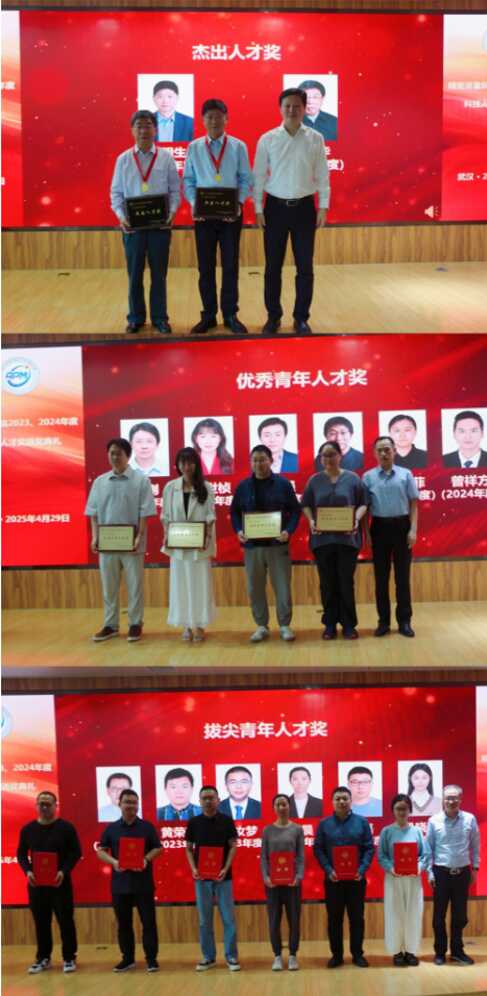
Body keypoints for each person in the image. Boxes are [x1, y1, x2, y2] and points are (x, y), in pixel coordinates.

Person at [253, 88, 330, 336]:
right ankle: (273, 317)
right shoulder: (267, 139)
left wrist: (323, 205)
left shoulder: (315, 138)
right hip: (274, 209)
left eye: (297, 106)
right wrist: (258, 208)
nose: (291, 110)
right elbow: (258, 176)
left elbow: (322, 174)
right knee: (272, 268)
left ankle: (301, 318)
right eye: (287, 105)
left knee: (305, 268)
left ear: (305, 108)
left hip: (305, 209)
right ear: (280, 108)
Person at [183, 98, 252, 335]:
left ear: (226, 119)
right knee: (206, 268)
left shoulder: (238, 146)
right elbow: (188, 180)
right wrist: (194, 204)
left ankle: (231, 314)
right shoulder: (194, 148)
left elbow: (246, 179)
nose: (214, 121)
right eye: (209, 117)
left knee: (230, 266)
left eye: (219, 116)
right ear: (203, 120)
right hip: (203, 218)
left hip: (231, 217)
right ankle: (209, 315)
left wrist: (239, 203)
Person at [110, 110, 180, 334]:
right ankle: (135, 318)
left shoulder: (166, 158)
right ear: (132, 130)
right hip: (133, 229)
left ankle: (160, 318)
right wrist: (121, 217)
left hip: (160, 227)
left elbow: (174, 190)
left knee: (159, 275)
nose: (143, 130)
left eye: (148, 125)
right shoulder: (123, 159)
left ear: (155, 129)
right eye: (139, 126)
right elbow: (116, 194)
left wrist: (171, 213)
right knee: (135, 275)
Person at [85, 437, 156, 643]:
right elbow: (93, 513)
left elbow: (145, 512)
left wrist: (139, 537)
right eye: (112, 453)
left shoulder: (140, 481)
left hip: (132, 544)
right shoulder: (100, 482)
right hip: (107, 544)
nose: (115, 457)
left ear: (128, 456)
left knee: (135, 586)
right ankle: (110, 625)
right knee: (109, 587)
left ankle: (135, 623)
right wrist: (95, 537)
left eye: (119, 453)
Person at [231, 445, 301, 642]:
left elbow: (295, 511)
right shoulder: (243, 486)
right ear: (250, 463)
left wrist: (288, 531)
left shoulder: (283, 484)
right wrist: (239, 530)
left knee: (282, 587)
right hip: (252, 547)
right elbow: (234, 512)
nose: (259, 464)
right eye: (255, 460)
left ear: (271, 461)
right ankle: (261, 625)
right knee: (255, 588)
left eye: (262, 459)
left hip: (277, 545)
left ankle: (285, 625)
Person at [302, 441, 367, 640]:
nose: (328, 459)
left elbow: (363, 503)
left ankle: (348, 625)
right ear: (320, 458)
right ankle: (329, 624)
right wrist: (311, 520)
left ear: (340, 456)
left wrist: (356, 519)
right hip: (322, 542)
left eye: (332, 454)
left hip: (347, 541)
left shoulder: (353, 479)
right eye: (325, 455)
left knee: (346, 582)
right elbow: (306, 504)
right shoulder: (314, 480)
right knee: (327, 583)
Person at [97, 788, 162, 973]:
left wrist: (146, 859)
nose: (131, 806)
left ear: (138, 805)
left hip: (143, 884)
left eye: (134, 802)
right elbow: (101, 851)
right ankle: (128, 959)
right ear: (120, 804)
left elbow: (158, 848)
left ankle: (151, 959)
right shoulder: (111, 828)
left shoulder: (147, 827)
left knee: (148, 923)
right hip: (120, 884)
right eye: (127, 802)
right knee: (124, 924)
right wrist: (114, 862)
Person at [17, 791, 82, 975]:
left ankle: (69, 957)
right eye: (41, 804)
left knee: (65, 921)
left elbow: (75, 853)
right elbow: (21, 854)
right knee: (41, 922)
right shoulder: (28, 829)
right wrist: (28, 871)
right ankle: (43, 958)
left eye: (48, 804)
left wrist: (63, 871)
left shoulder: (66, 828)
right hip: (37, 885)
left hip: (60, 883)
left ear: (55, 806)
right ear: (36, 806)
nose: (44, 807)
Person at [363, 435, 419, 638]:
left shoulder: (406, 474)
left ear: (394, 451)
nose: (384, 453)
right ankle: (383, 622)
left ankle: (404, 621)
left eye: (387, 449)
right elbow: (365, 508)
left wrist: (413, 530)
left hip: (402, 526)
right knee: (381, 578)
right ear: (374, 453)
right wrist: (367, 533)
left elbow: (414, 504)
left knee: (402, 578)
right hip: (379, 528)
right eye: (379, 450)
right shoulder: (368, 477)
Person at [313, 785, 374, 968]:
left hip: (356, 880)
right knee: (334, 919)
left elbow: (369, 848)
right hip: (333, 880)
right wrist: (328, 869)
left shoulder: (362, 822)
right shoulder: (324, 824)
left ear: (350, 801)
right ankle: (337, 955)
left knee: (357, 919)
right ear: (332, 802)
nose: (341, 802)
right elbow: (318, 849)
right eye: (338, 799)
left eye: (345, 798)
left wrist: (361, 869)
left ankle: (357, 954)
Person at [162, 447, 216, 642]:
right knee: (181, 585)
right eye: (183, 462)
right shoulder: (170, 487)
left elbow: (210, 516)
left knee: (200, 585)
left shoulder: (206, 487)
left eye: (190, 462)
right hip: (178, 545)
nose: (186, 466)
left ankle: (200, 624)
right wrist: (167, 535)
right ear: (177, 465)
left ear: (196, 464)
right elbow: (165, 516)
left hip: (199, 546)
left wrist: (207, 538)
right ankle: (186, 624)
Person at [185, 785, 240, 972]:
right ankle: (208, 957)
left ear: (218, 800)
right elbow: (188, 849)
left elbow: (233, 846)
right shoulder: (194, 823)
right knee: (204, 920)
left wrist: (225, 868)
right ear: (199, 801)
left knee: (228, 919)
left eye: (211, 798)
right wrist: (194, 868)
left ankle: (231, 956)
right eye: (205, 798)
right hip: (201, 879)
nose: (208, 801)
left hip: (224, 877)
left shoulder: (226, 821)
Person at [425, 784, 480, 965]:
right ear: (443, 800)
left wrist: (475, 869)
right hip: (441, 873)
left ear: (460, 799)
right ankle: (440, 952)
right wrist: (430, 873)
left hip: (462, 873)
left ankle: (457, 951)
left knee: (460, 916)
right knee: (438, 916)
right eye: (448, 798)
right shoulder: (434, 821)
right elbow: (428, 849)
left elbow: (475, 846)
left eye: (455, 797)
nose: (451, 801)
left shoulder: (470, 819)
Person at [378, 793, 427, 966]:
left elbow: (424, 855)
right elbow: (382, 855)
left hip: (413, 879)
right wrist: (391, 868)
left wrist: (418, 867)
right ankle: (397, 952)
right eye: (398, 808)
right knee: (394, 914)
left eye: (405, 808)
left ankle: (411, 951)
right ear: (393, 810)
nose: (401, 812)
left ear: (410, 810)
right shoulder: (386, 831)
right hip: (394, 878)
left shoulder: (417, 832)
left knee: (414, 913)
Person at [261, 794, 305, 971]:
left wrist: (298, 876)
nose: (281, 807)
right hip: (273, 885)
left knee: (294, 919)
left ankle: (293, 955)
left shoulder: (297, 829)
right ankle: (277, 955)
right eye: (278, 804)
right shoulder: (267, 830)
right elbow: (264, 857)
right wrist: (266, 877)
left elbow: (300, 856)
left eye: (284, 804)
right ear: (274, 808)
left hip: (292, 883)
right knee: (274, 920)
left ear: (289, 806)